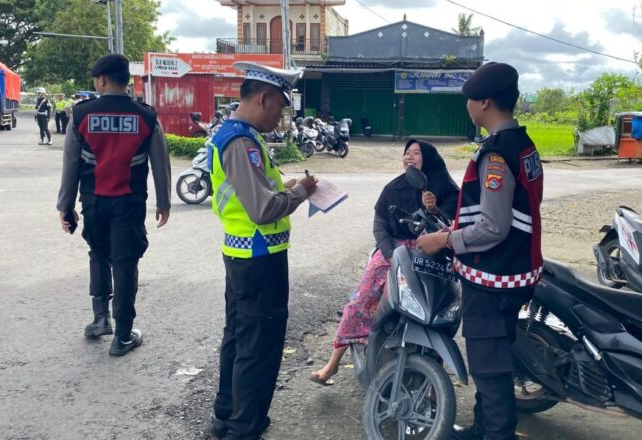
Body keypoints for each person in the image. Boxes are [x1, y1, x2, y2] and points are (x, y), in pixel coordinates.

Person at [417, 62, 544, 440]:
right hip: (517, 269)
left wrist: (444, 240)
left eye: (469, 100)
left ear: (484, 102)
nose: (467, 106)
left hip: (494, 278)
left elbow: (493, 226)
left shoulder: (497, 154)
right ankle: (482, 429)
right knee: (495, 358)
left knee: (489, 368)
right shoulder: (524, 143)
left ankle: (496, 433)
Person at [206, 62, 317, 440]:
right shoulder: (242, 142)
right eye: (279, 108)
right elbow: (263, 208)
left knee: (238, 336)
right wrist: (301, 192)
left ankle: (227, 415)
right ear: (263, 98)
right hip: (259, 259)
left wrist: (286, 186)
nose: (280, 116)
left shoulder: (237, 135)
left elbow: (253, 192)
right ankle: (244, 427)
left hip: (242, 254)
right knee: (259, 345)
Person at [310, 139, 459, 386]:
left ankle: (435, 376)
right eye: (407, 153)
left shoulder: (445, 190)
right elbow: (380, 226)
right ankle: (333, 363)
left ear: (430, 159)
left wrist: (434, 211)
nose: (410, 157)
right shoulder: (393, 188)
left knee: (439, 310)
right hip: (394, 251)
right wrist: (390, 254)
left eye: (416, 153)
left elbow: (452, 228)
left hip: (431, 255)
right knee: (362, 299)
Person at [56, 54, 172, 356]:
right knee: (125, 262)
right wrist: (164, 202)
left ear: (102, 79)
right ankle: (123, 335)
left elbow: (70, 163)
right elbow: (160, 163)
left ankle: (100, 320)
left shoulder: (81, 115)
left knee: (97, 253)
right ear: (127, 80)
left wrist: (65, 206)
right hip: (129, 204)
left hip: (94, 203)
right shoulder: (146, 116)